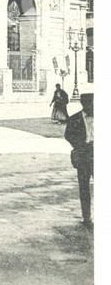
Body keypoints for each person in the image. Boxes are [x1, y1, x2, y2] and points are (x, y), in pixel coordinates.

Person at [65, 93, 94, 227]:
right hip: (83, 154)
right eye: (89, 104)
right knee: (84, 186)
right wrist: (79, 146)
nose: (92, 106)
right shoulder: (74, 119)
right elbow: (68, 135)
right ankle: (86, 216)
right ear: (83, 104)